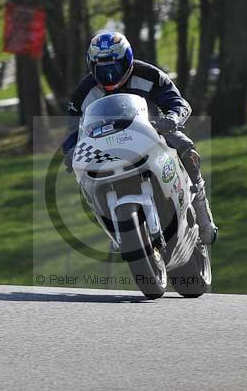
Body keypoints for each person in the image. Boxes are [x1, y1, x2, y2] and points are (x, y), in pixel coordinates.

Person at [62, 31, 217, 245]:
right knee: (83, 175)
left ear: (127, 60)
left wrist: (172, 118)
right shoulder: (83, 93)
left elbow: (178, 102)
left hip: (152, 131)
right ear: (91, 66)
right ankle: (111, 224)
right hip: (103, 144)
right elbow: (71, 129)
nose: (109, 75)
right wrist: (70, 151)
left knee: (185, 146)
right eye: (102, 69)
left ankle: (202, 209)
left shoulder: (150, 75)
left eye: (114, 67)